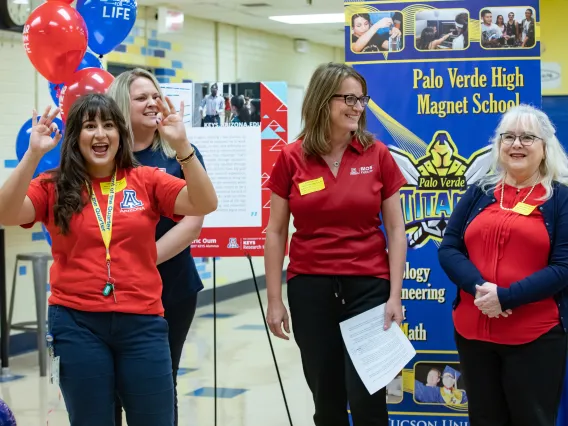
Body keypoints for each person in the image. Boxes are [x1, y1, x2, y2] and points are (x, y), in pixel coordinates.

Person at [0, 94, 217, 426]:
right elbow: (6, 212)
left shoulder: (146, 179)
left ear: (120, 134)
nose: (100, 134)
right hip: (77, 323)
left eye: (108, 125)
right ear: (76, 137)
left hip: (142, 322)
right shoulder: (54, 186)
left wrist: (183, 148)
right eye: (89, 126)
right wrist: (32, 154)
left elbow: (204, 202)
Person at [264, 62, 407, 426]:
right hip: (311, 288)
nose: (358, 107)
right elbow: (277, 231)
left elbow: (396, 227)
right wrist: (275, 300)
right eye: (349, 98)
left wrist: (395, 295)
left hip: (368, 287)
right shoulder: (291, 157)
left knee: (367, 399)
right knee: (326, 400)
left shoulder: (378, 155)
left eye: (362, 99)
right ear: (322, 100)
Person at [438, 104, 568, 426]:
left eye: (527, 137)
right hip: (473, 335)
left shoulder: (560, 197)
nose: (516, 144)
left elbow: (564, 267)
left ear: (545, 147)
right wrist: (480, 288)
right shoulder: (480, 191)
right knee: (484, 419)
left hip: (534, 338)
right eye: (508, 136)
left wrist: (505, 297)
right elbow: (449, 247)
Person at [108, 68, 207, 426]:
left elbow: (194, 220)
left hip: (172, 290)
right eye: (141, 98)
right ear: (122, 105)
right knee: (111, 387)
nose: (152, 103)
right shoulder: (104, 157)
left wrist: (142, 260)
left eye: (155, 95)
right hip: (111, 291)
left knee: (160, 383)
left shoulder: (179, 155)